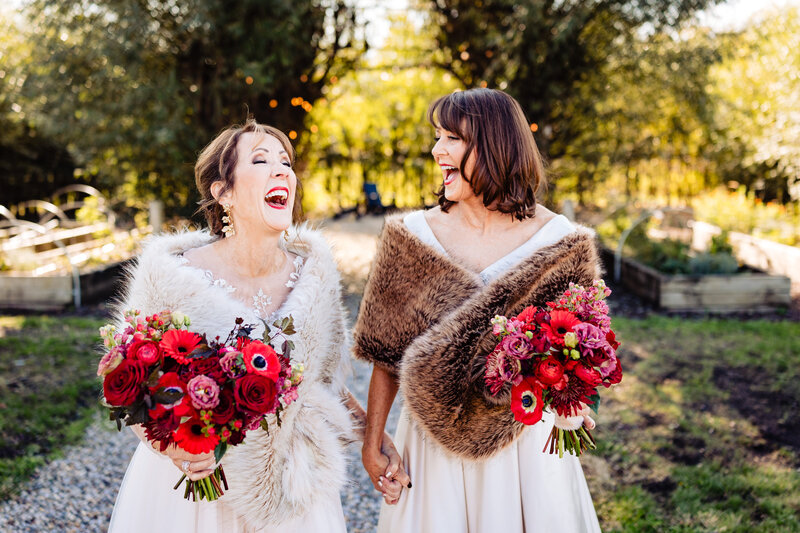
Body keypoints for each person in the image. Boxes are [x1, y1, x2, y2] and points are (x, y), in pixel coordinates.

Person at [108, 119, 402, 533]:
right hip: (202, 495)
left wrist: (375, 441)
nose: (282, 170)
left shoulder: (315, 274)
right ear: (222, 192)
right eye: (261, 160)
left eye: (285, 161)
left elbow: (325, 384)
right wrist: (174, 448)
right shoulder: (170, 275)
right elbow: (128, 385)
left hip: (293, 486)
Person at [355, 88, 603, 532]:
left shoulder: (561, 242)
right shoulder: (410, 237)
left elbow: (580, 348)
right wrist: (371, 444)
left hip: (524, 446)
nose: (436, 151)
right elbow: (385, 356)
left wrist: (574, 398)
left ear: (494, 145)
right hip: (433, 444)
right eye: (436, 136)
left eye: (451, 137)